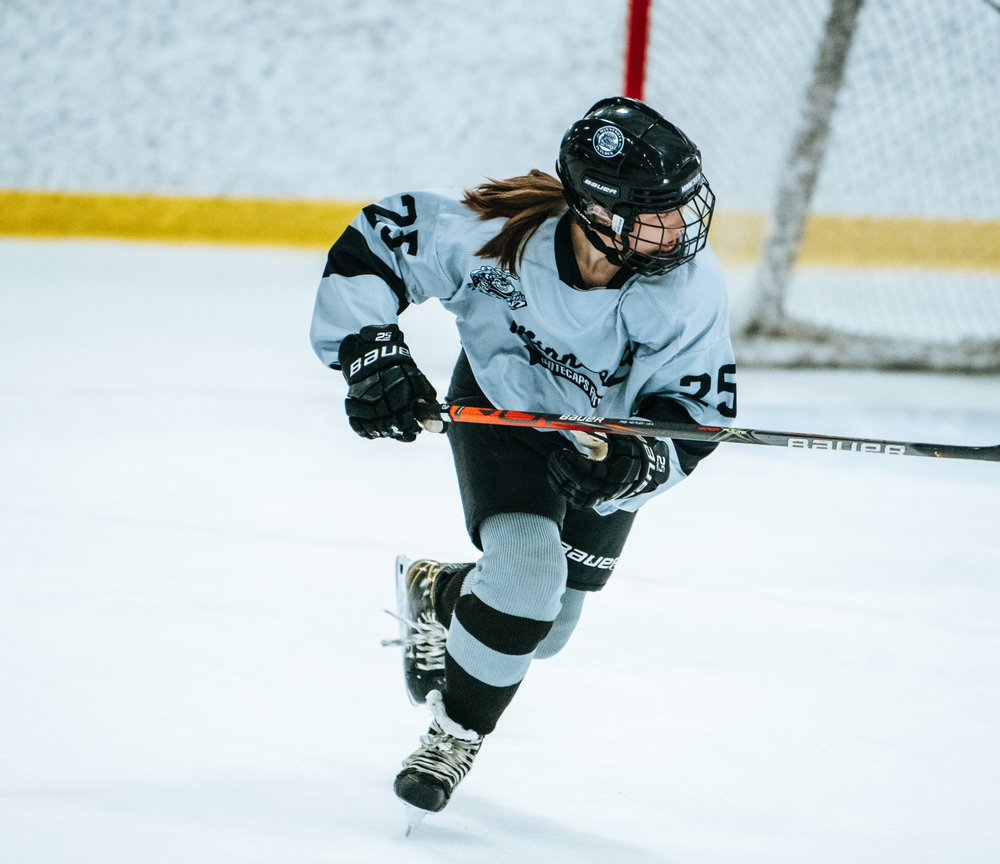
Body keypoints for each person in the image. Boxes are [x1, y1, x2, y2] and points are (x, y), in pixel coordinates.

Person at [309, 97, 736, 815]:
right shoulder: (498, 240)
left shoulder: (685, 292)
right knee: (529, 577)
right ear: (596, 213)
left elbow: (695, 413)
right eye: (655, 211)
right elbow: (379, 242)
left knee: (547, 631)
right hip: (501, 409)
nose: (679, 227)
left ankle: (445, 594)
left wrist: (636, 464)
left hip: (604, 441)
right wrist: (368, 352)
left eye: (683, 206)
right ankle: (452, 735)